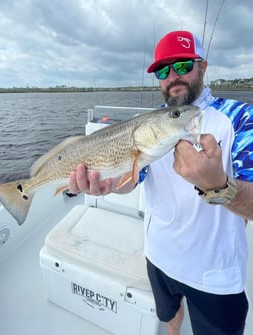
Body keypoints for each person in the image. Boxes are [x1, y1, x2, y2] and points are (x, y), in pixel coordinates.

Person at [68, 30, 253, 335]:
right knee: (169, 315)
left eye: (182, 66)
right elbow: (134, 177)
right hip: (159, 255)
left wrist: (217, 184)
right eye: (163, 70)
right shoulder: (150, 124)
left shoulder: (240, 117)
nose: (172, 77)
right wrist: (110, 185)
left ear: (203, 67)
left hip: (214, 273)